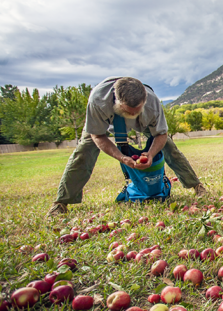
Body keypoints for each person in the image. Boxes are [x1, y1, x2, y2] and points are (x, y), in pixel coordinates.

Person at [47, 77, 206, 218]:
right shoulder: (97, 100)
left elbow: (161, 134)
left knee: (170, 148)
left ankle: (196, 186)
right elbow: (97, 136)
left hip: (144, 123)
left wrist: (151, 154)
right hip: (106, 123)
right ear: (116, 101)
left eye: (138, 110)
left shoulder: (152, 102)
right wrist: (121, 157)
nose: (133, 113)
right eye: (129, 111)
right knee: (83, 152)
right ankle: (61, 202)